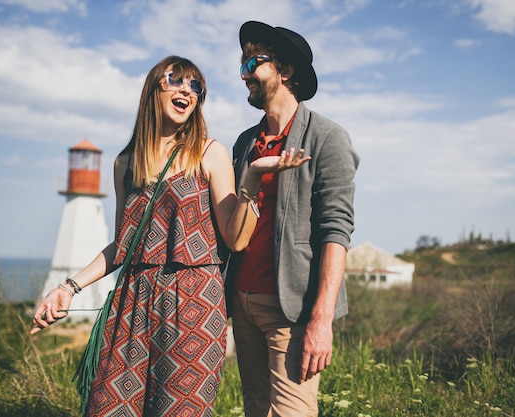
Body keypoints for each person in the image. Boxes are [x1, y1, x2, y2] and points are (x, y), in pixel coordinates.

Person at [31, 55, 308, 417]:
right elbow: (123, 244)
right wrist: (67, 288)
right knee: (107, 407)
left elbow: (236, 238)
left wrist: (252, 180)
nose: (187, 91)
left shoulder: (210, 153)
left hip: (193, 303)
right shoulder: (125, 163)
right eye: (175, 81)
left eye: (196, 87)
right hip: (131, 302)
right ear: (153, 90)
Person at [225, 22, 360, 417]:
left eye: (254, 62)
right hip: (242, 302)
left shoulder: (326, 137)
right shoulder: (244, 143)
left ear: (284, 71)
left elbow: (336, 229)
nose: (245, 73)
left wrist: (322, 319)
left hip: (293, 309)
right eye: (243, 65)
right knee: (255, 408)